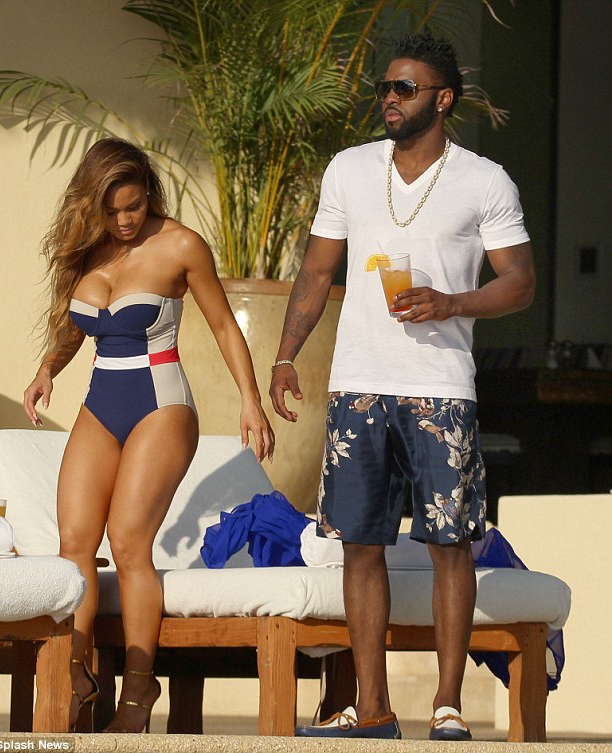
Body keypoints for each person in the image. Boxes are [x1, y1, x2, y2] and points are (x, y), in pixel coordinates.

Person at [269, 32, 535, 741]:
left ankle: (446, 703)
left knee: (450, 543)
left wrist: (452, 302)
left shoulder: (484, 180)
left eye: (403, 88)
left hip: (440, 388)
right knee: (360, 543)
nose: (388, 98)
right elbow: (317, 270)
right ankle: (373, 705)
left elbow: (519, 283)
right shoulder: (350, 169)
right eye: (384, 87)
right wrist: (285, 355)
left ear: (442, 99)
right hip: (358, 384)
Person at [23, 138, 275, 733]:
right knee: (74, 542)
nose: (124, 221)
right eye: (111, 210)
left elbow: (223, 324)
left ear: (149, 194)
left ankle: (139, 688)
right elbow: (74, 329)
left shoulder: (181, 245)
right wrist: (46, 369)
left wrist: (251, 399)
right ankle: (77, 674)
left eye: (133, 206)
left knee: (129, 542)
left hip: (161, 405)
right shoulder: (89, 249)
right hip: (100, 403)